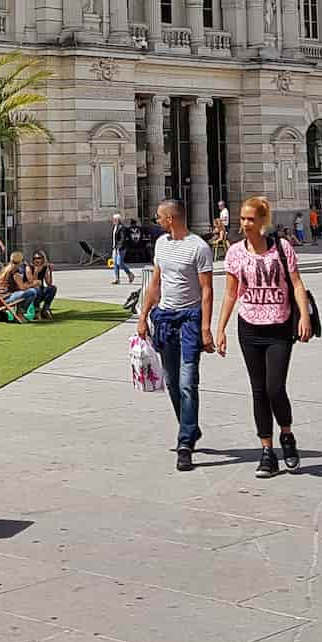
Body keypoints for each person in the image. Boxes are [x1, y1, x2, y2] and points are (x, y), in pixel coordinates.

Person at [214, 196, 313, 476]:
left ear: (262, 221)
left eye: (250, 219)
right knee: (258, 391)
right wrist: (220, 328)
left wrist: (304, 316)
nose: (245, 224)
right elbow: (231, 293)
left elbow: (296, 284)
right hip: (249, 327)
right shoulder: (234, 252)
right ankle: (267, 451)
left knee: (274, 388)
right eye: (242, 219)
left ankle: (287, 435)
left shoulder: (281, 248)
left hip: (279, 327)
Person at [135, 197, 214, 471]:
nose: (156, 220)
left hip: (190, 319)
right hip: (166, 318)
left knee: (187, 381)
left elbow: (206, 290)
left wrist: (206, 328)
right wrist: (143, 316)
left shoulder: (199, 248)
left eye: (159, 216)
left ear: (171, 218)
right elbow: (155, 282)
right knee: (171, 381)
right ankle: (190, 426)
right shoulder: (161, 244)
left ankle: (184, 443)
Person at [0, 254, 44, 319]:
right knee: (32, 292)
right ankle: (20, 312)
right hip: (7, 298)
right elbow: (22, 287)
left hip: (0, 298)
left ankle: (22, 312)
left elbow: (17, 285)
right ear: (20, 261)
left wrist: (29, 284)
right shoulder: (14, 271)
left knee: (29, 291)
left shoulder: (6, 269)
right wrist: (34, 284)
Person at [28, 250, 58, 317]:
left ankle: (45, 309)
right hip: (33, 292)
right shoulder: (30, 268)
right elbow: (32, 282)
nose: (36, 260)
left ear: (42, 259)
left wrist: (50, 272)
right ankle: (36, 309)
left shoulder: (44, 268)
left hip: (41, 290)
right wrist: (36, 271)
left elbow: (49, 283)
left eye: (39, 258)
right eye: (34, 258)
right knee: (37, 288)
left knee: (53, 288)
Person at [110, 213, 136, 285]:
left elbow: (122, 238)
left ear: (118, 220)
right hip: (115, 248)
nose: (113, 220)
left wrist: (119, 247)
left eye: (114, 219)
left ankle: (130, 274)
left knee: (120, 263)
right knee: (115, 264)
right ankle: (117, 279)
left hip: (121, 248)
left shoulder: (121, 228)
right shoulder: (115, 227)